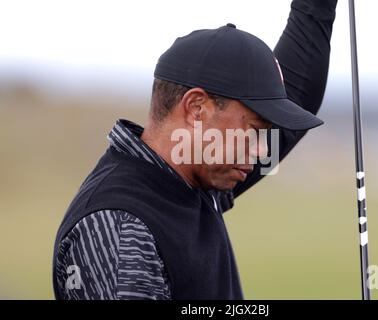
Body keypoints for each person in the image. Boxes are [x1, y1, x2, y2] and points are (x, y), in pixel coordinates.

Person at [53, 0, 338, 300]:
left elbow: (297, 94)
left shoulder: (191, 179)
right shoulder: (123, 228)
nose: (261, 153)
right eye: (254, 131)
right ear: (197, 108)